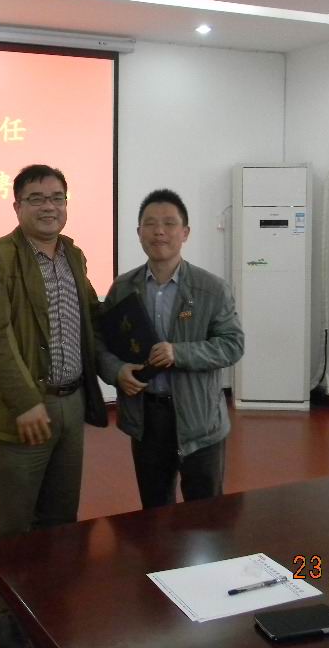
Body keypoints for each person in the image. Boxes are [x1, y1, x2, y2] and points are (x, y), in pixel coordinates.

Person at [0, 164, 106, 648]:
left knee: (61, 520)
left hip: (72, 403)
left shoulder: (74, 255)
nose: (49, 207)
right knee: (13, 524)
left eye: (57, 197)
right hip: (25, 410)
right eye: (37, 198)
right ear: (17, 206)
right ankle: (3, 616)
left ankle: (49, 604)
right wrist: (26, 401)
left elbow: (92, 320)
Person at [99, 189, 244, 509]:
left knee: (205, 515)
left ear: (185, 232)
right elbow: (101, 342)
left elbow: (232, 345)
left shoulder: (211, 288)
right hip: (147, 417)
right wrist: (116, 371)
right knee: (154, 511)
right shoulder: (122, 288)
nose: (159, 231)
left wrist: (180, 353)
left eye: (169, 223)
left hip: (199, 419)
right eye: (150, 224)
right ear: (139, 232)